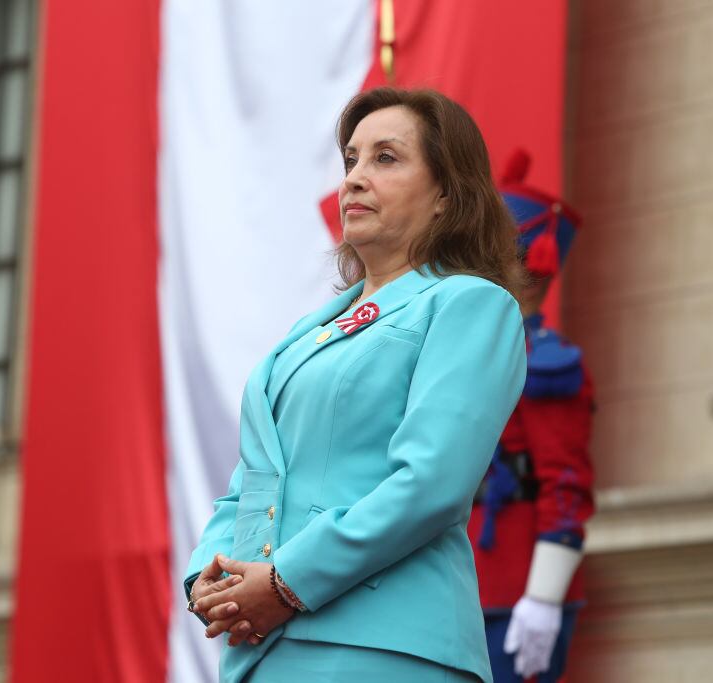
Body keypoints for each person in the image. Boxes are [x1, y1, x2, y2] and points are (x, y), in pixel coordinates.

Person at [185, 87, 529, 683]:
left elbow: (430, 485)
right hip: (265, 648)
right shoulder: (308, 332)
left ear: (448, 194)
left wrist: (288, 582)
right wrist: (208, 579)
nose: (354, 179)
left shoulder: (470, 304)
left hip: (387, 649)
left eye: (385, 158)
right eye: (351, 160)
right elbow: (252, 480)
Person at [468, 153, 595, 683]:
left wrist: (543, 597)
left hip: (514, 595)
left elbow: (566, 488)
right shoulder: (469, 350)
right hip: (457, 586)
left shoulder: (546, 362)